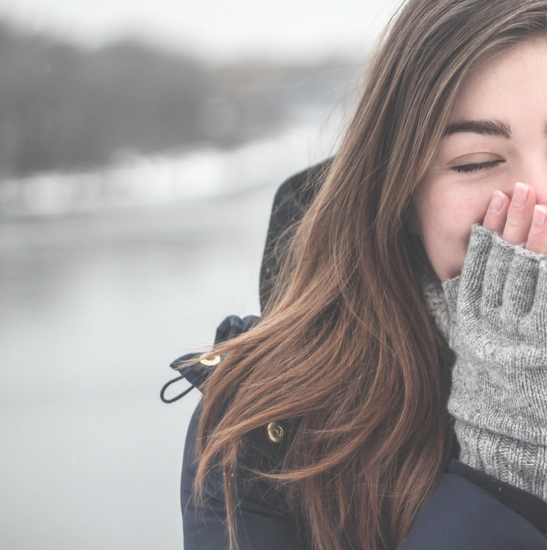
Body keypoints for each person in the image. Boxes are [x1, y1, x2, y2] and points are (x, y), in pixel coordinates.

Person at [162, 0, 547, 548]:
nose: (538, 203)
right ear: (404, 196)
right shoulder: (266, 429)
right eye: (474, 162)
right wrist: (509, 455)